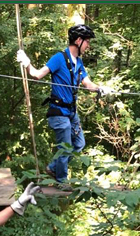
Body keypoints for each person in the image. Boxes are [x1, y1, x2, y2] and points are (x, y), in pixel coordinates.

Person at [16, 25, 114, 184]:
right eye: (87, 41)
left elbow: (87, 84)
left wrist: (100, 88)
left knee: (79, 144)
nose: (88, 45)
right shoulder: (59, 58)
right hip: (58, 112)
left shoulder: (79, 63)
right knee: (66, 148)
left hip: (71, 113)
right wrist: (27, 62)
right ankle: (61, 182)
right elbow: (37, 75)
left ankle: (53, 167)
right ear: (78, 40)